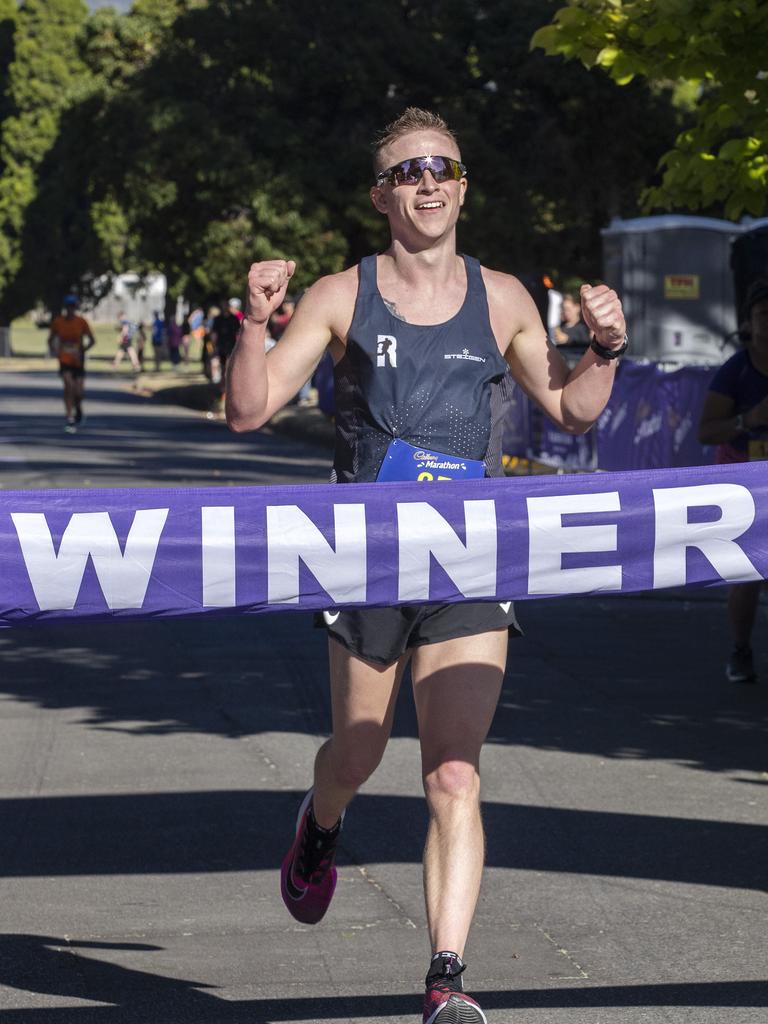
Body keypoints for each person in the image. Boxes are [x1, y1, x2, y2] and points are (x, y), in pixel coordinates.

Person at [226, 107, 627, 1024]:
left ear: (462, 186)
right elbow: (249, 411)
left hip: (469, 560)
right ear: (383, 195)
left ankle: (446, 978)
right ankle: (319, 827)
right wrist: (255, 320)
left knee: (454, 774)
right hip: (364, 562)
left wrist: (606, 348)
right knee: (359, 752)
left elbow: (572, 411)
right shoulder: (342, 293)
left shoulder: (504, 297)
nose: (428, 182)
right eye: (408, 172)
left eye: (442, 167)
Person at [698, 277, 768, 684]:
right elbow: (706, 431)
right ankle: (740, 651)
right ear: (749, 323)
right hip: (746, 484)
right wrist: (749, 420)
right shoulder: (737, 370)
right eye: (763, 315)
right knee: (748, 576)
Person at [47, 294, 96, 432]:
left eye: (73, 306)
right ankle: (69, 416)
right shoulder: (58, 322)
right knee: (68, 385)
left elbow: (92, 340)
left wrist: (83, 350)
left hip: (78, 360)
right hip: (64, 359)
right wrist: (56, 351)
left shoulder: (81, 322)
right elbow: (50, 339)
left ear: (75, 307)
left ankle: (78, 408)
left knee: (78, 391)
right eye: (68, 306)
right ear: (65, 307)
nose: (70, 309)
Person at [553, 288, 592, 365]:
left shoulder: (584, 327)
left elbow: (586, 342)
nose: (566, 312)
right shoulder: (560, 327)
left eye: (568, 309)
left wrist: (568, 339)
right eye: (564, 309)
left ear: (577, 308)